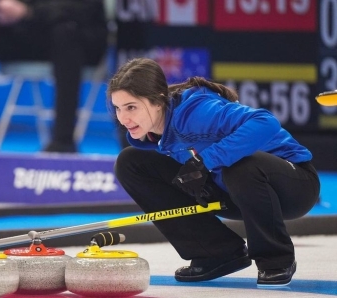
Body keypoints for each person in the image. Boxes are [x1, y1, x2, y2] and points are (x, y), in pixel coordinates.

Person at [108, 58, 320, 286]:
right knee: (130, 162)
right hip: (233, 192)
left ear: (158, 102)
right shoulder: (152, 134)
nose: (123, 118)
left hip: (294, 187)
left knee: (239, 165)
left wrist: (205, 161)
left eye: (131, 107)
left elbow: (265, 121)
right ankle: (216, 251)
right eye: (118, 108)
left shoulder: (197, 112)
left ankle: (276, 258)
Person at [0, 0, 108, 152]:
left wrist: (28, 12)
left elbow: (83, 9)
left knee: (65, 31)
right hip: (26, 31)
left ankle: (63, 141)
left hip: (78, 35)